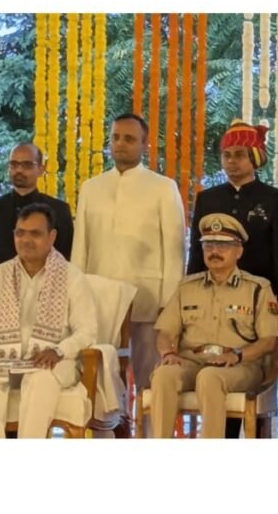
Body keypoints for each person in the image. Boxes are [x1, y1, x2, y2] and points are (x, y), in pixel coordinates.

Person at [72, 113, 186, 434]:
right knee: (100, 376)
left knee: (150, 378)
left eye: (129, 139)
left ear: (145, 144)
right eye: (116, 138)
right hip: (100, 301)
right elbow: (81, 247)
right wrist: (76, 297)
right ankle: (104, 436)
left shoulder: (163, 188)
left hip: (148, 300)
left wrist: (169, 305)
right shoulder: (91, 188)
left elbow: (175, 251)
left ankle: (151, 438)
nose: (120, 144)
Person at [187, 120, 278, 438]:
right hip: (214, 301)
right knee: (217, 367)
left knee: (252, 374)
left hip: (258, 305)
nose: (232, 161)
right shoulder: (208, 199)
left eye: (239, 155)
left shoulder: (275, 199)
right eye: (227, 155)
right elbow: (197, 253)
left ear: (254, 158)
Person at [148, 213, 278, 438]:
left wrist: (237, 356)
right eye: (208, 245)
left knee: (210, 377)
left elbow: (269, 341)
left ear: (239, 251)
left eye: (223, 245)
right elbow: (165, 331)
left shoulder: (257, 288)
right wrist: (167, 352)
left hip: (240, 364)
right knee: (163, 375)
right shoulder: (187, 287)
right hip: (192, 360)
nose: (214, 252)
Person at [0, 203, 97, 438]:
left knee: (39, 378)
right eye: (20, 233)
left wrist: (58, 351)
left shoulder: (72, 277)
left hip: (56, 362)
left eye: (35, 234)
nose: (26, 240)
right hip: (5, 359)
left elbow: (87, 331)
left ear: (52, 236)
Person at [0, 143, 73, 287]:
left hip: (47, 290)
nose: (19, 170)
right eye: (14, 164)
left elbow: (65, 259)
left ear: (41, 169)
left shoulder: (59, 210)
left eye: (27, 165)